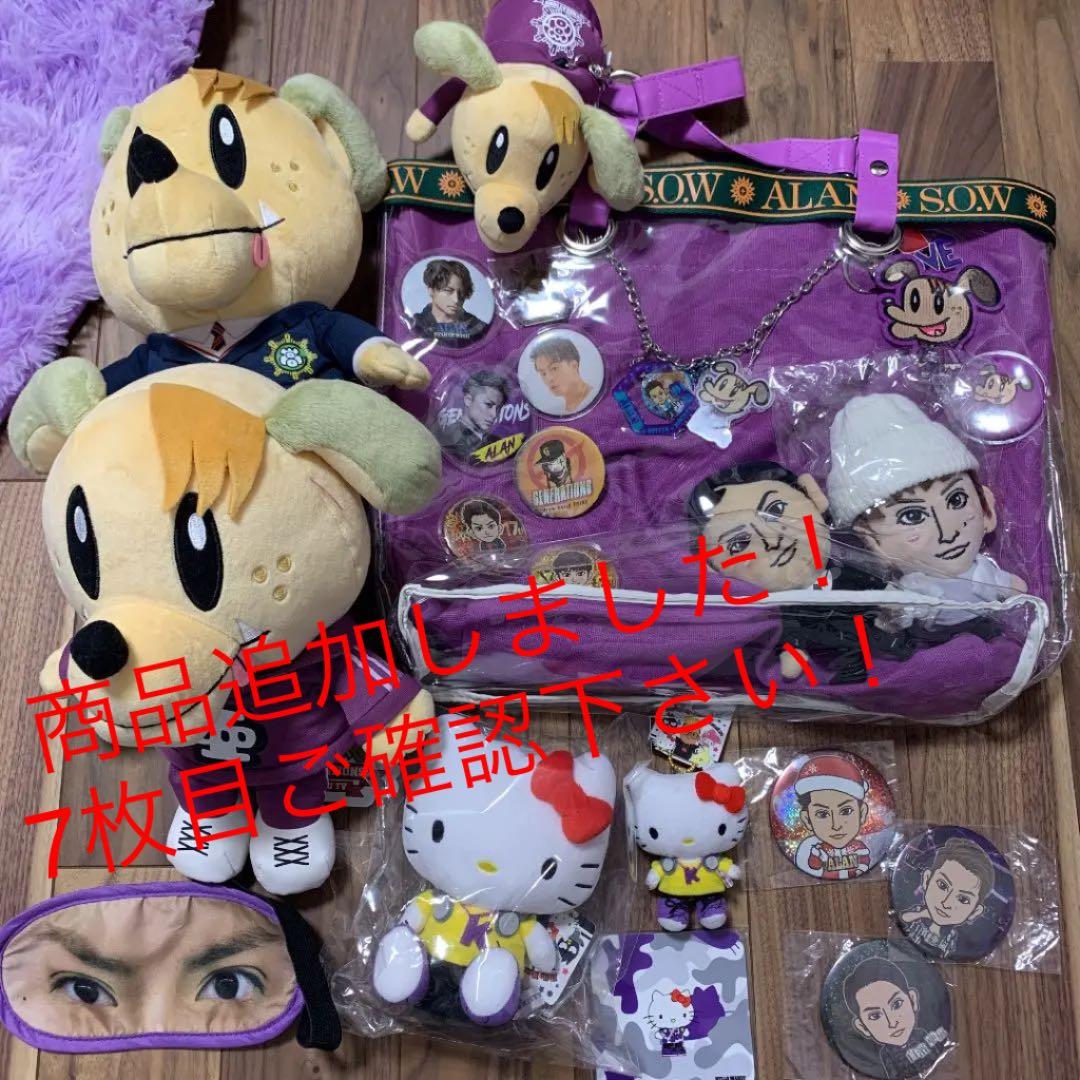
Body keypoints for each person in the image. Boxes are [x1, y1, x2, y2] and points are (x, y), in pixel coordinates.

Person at [827, 394, 1026, 630]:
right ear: (872, 542)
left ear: (986, 509)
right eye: (912, 516)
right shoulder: (915, 589)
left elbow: (1014, 589)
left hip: (991, 629)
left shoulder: (984, 572)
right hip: (939, 642)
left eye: (957, 499)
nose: (948, 533)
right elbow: (892, 621)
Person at [843, 957, 942, 1079]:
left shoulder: (923, 1036)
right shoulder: (886, 1055)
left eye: (897, 1004)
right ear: (863, 1027)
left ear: (912, 1000)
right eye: (875, 1016)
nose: (892, 1022)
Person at [900, 838, 996, 957]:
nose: (946, 903)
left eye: (963, 899)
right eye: (942, 885)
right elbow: (903, 918)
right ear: (927, 879)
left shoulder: (952, 935)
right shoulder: (919, 912)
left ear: (975, 912)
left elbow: (947, 954)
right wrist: (921, 914)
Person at [791, 753, 873, 880]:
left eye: (846, 811)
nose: (836, 825)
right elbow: (813, 866)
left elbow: (864, 863)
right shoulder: (814, 850)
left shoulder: (859, 847)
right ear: (807, 820)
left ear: (862, 813)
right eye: (822, 814)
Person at [411, 259, 487, 346]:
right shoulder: (415, 325)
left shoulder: (478, 328)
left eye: (461, 292)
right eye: (448, 290)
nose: (456, 299)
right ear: (431, 290)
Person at [438, 371, 510, 461]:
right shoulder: (447, 438)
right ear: (468, 400)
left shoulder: (498, 442)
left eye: (498, 408)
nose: (494, 414)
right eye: (488, 405)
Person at [531, 337, 595, 414]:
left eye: (554, 368)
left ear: (574, 365)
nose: (549, 378)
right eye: (543, 373)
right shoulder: (556, 412)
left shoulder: (596, 397)